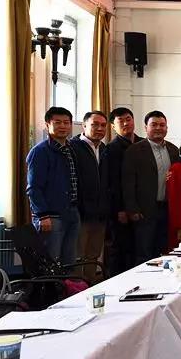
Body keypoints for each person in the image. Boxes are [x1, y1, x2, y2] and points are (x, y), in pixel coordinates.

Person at [122, 110, 179, 264]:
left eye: (162, 125)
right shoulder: (134, 150)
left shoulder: (174, 150)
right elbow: (128, 182)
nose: (158, 128)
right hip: (144, 210)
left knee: (165, 251)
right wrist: (132, 209)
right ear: (146, 127)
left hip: (167, 209)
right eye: (154, 125)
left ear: (167, 128)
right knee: (144, 252)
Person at [26, 107, 81, 265]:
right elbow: (33, 188)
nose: (63, 126)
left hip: (72, 211)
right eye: (57, 122)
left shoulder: (70, 149)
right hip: (51, 216)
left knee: (69, 261)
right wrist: (43, 215)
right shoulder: (40, 151)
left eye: (66, 122)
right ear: (47, 125)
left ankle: (68, 282)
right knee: (51, 261)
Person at [70, 111, 109, 283]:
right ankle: (77, 288)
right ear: (84, 126)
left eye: (103, 125)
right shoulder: (73, 148)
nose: (99, 129)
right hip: (81, 212)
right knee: (78, 254)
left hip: (100, 213)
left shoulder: (104, 149)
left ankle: (90, 285)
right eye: (95, 125)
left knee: (94, 253)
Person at [105, 107, 143, 275]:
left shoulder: (143, 143)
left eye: (129, 119)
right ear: (113, 126)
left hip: (142, 206)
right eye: (121, 121)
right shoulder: (111, 149)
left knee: (140, 248)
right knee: (120, 250)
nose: (126, 124)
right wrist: (120, 209)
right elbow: (113, 182)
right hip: (121, 209)